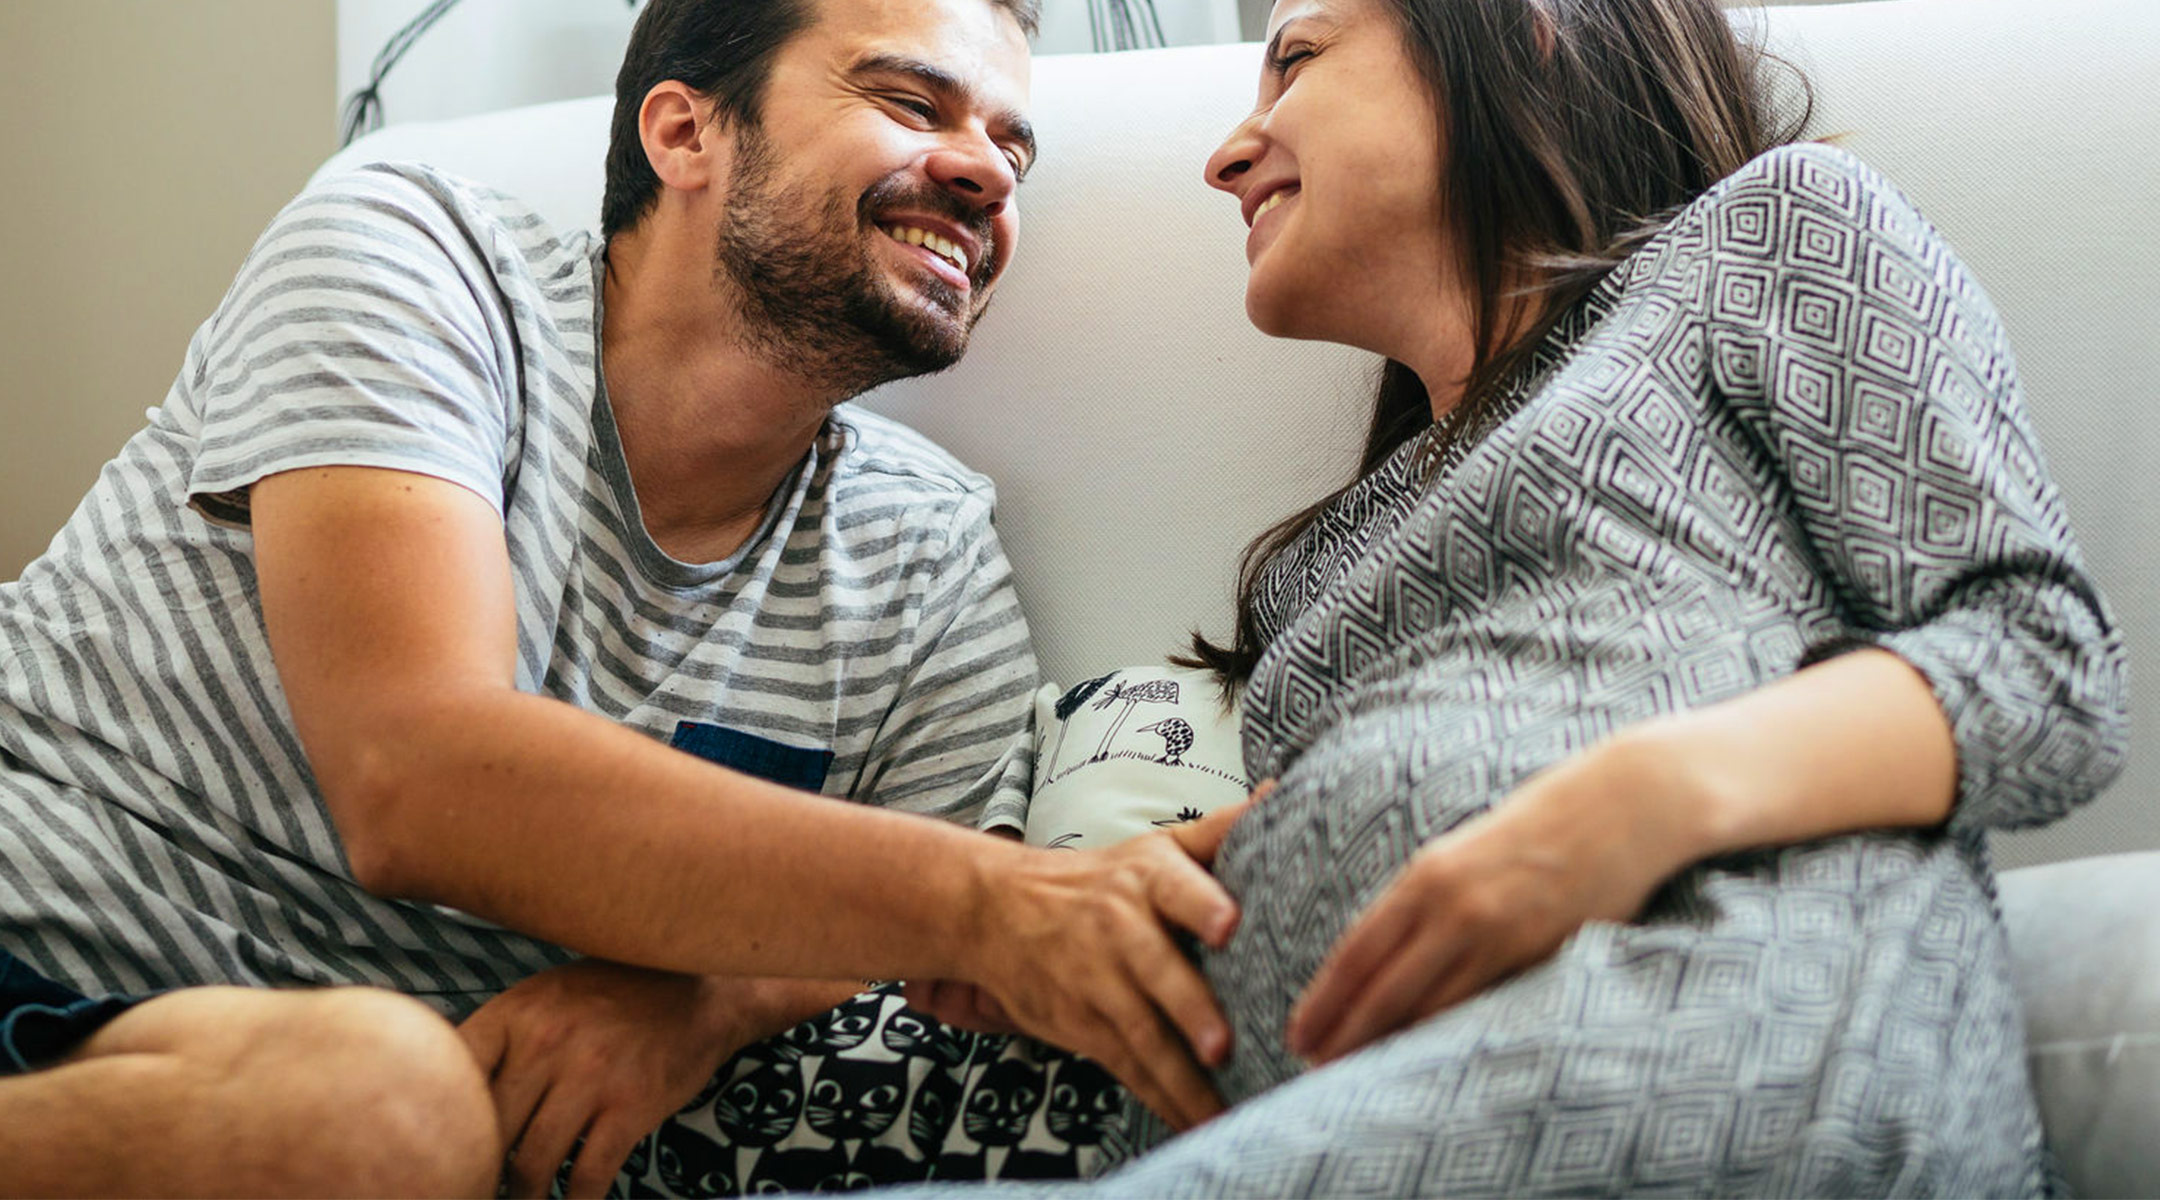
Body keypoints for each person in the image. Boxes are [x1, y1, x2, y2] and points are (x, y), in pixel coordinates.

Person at [0, 0, 1249, 1195]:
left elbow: (905, 946)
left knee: (384, 1110)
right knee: (387, 1109)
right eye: (913, 100)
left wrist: (708, 1000)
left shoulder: (930, 551)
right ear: (683, 131)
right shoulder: (415, 255)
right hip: (33, 930)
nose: (984, 173)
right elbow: (415, 775)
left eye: (1011, 149)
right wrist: (995, 907)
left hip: (275, 1089)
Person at [909, 0, 2129, 1194]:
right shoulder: (1317, 560)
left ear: (1519, 27)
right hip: (1308, 1114)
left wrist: (1636, 802)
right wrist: (1058, 916)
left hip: (1689, 1056)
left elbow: (2043, 668)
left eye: (1297, 61)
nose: (1229, 152)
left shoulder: (1762, 235)